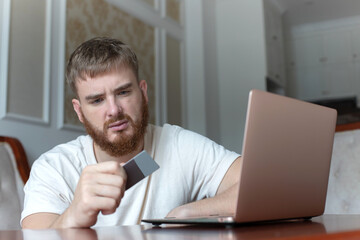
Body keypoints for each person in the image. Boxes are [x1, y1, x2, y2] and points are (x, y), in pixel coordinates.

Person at [21, 37, 241, 229]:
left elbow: (263, 187)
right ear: (79, 111)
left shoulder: (178, 146)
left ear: (143, 93)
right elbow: (34, 234)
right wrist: (73, 215)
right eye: (97, 100)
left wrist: (187, 213)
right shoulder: (54, 168)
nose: (114, 110)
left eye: (123, 92)